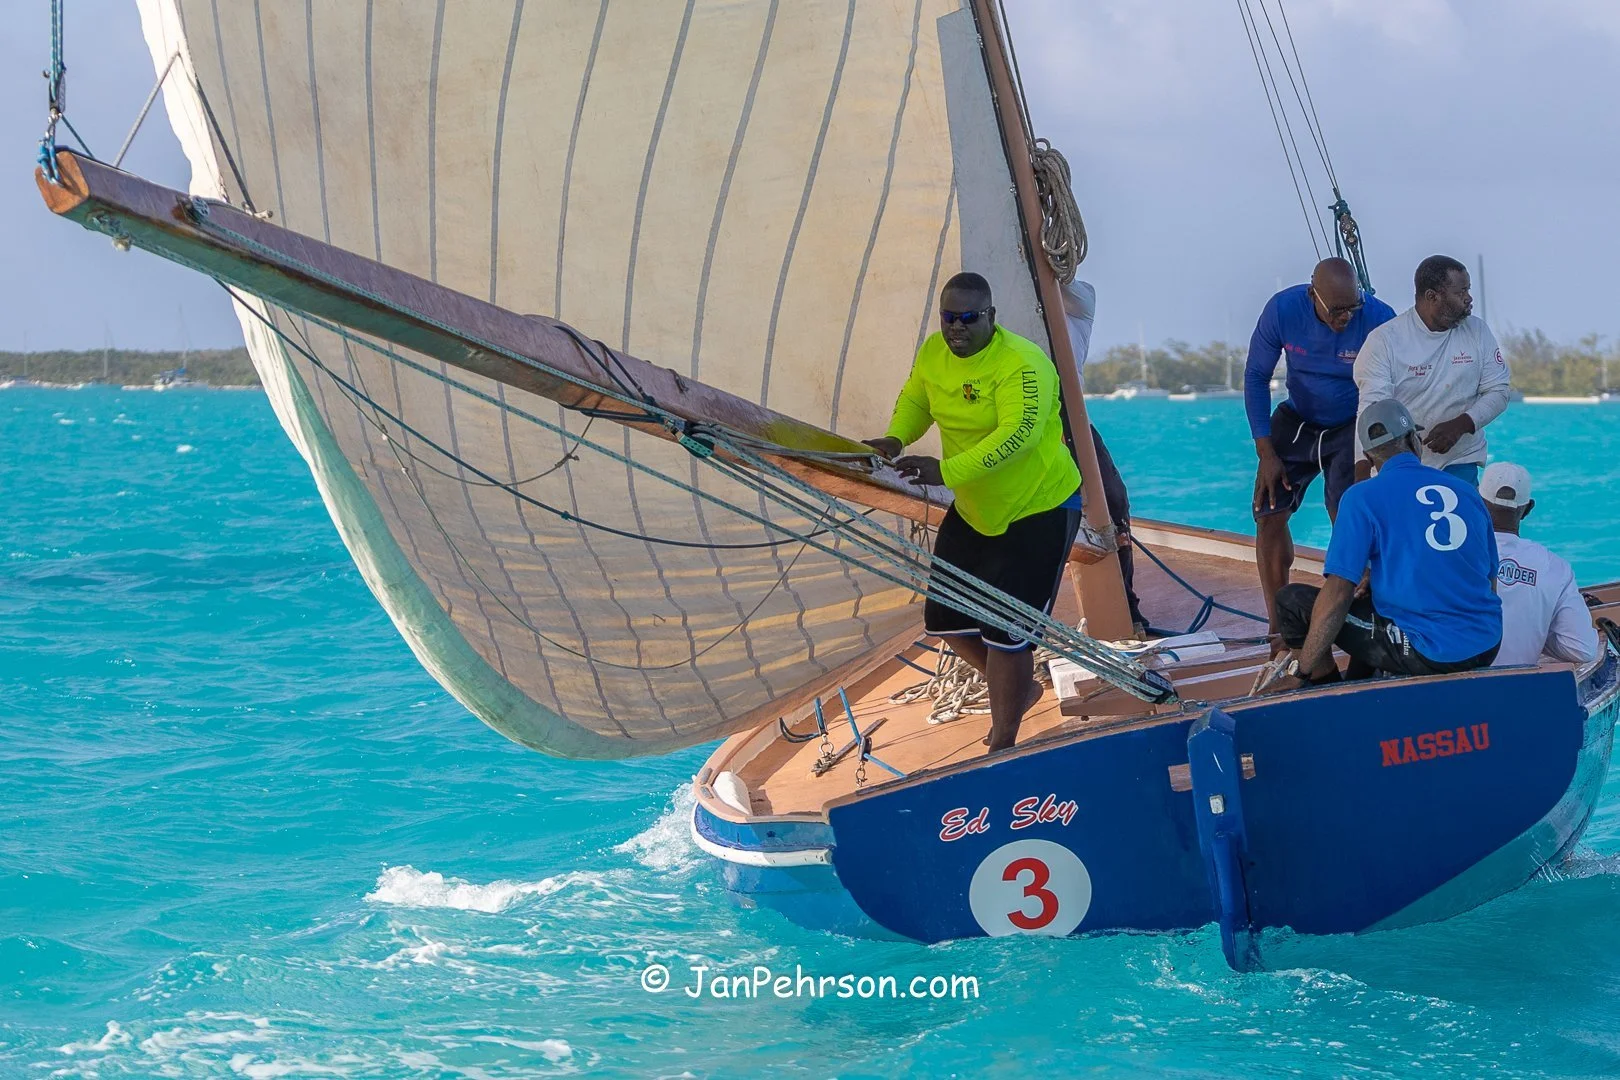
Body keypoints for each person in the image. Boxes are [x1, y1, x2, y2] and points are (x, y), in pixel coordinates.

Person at [864, 272, 1082, 753]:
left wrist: (946, 471)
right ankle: (1018, 689)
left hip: (1038, 508)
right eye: (948, 318)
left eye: (968, 318)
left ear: (991, 318)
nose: (956, 328)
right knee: (944, 620)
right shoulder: (933, 353)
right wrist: (897, 437)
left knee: (1008, 632)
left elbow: (1017, 438)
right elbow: (917, 400)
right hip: (977, 508)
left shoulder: (1023, 364)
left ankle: (1001, 742)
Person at [1263, 399, 1501, 691]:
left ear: (1368, 456)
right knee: (1372, 602)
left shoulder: (1361, 497)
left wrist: (1301, 671)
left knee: (1293, 602)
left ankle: (1332, 697)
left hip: (1429, 652)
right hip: (1488, 643)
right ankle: (1360, 683)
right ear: (1414, 441)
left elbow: (1337, 593)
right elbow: (1490, 580)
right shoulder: (1466, 491)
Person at [1244, 258, 1396, 638]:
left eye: (1352, 308)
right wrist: (1266, 454)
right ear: (1314, 295)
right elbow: (1256, 376)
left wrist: (1369, 461)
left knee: (1346, 515)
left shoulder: (1378, 318)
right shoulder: (1282, 310)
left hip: (1350, 424)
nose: (1346, 317)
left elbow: (1396, 388)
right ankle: (1280, 627)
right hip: (1299, 419)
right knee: (1268, 513)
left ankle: (1358, 617)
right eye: (1338, 310)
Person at [1354, 255, 1513, 486]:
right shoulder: (1384, 341)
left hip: (1460, 461)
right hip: (1400, 465)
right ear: (1432, 296)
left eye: (1468, 290)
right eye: (1461, 292)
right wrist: (1361, 470)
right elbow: (1370, 409)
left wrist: (1460, 425)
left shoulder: (1477, 331)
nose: (1469, 299)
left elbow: (1499, 391)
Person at [1062, 278, 1148, 635]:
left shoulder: (1079, 301)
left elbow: (1052, 275)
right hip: (1020, 418)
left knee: (1113, 500)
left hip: (1071, 418)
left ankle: (1126, 606)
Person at [1479, 462, 1600, 667]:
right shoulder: (1555, 567)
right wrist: (1539, 630)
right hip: (1521, 686)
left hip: (1458, 686)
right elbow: (1582, 649)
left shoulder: (1453, 556)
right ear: (1528, 509)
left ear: (1477, 501)